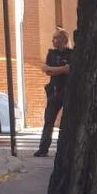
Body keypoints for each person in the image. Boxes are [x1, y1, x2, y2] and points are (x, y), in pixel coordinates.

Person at [34, 28, 73, 157]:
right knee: (49, 120)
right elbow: (46, 70)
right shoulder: (51, 53)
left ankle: (65, 150)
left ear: (63, 39)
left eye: (56, 38)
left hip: (68, 91)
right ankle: (43, 149)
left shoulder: (72, 54)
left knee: (67, 121)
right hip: (54, 91)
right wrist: (60, 69)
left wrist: (53, 69)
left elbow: (69, 70)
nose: (53, 40)